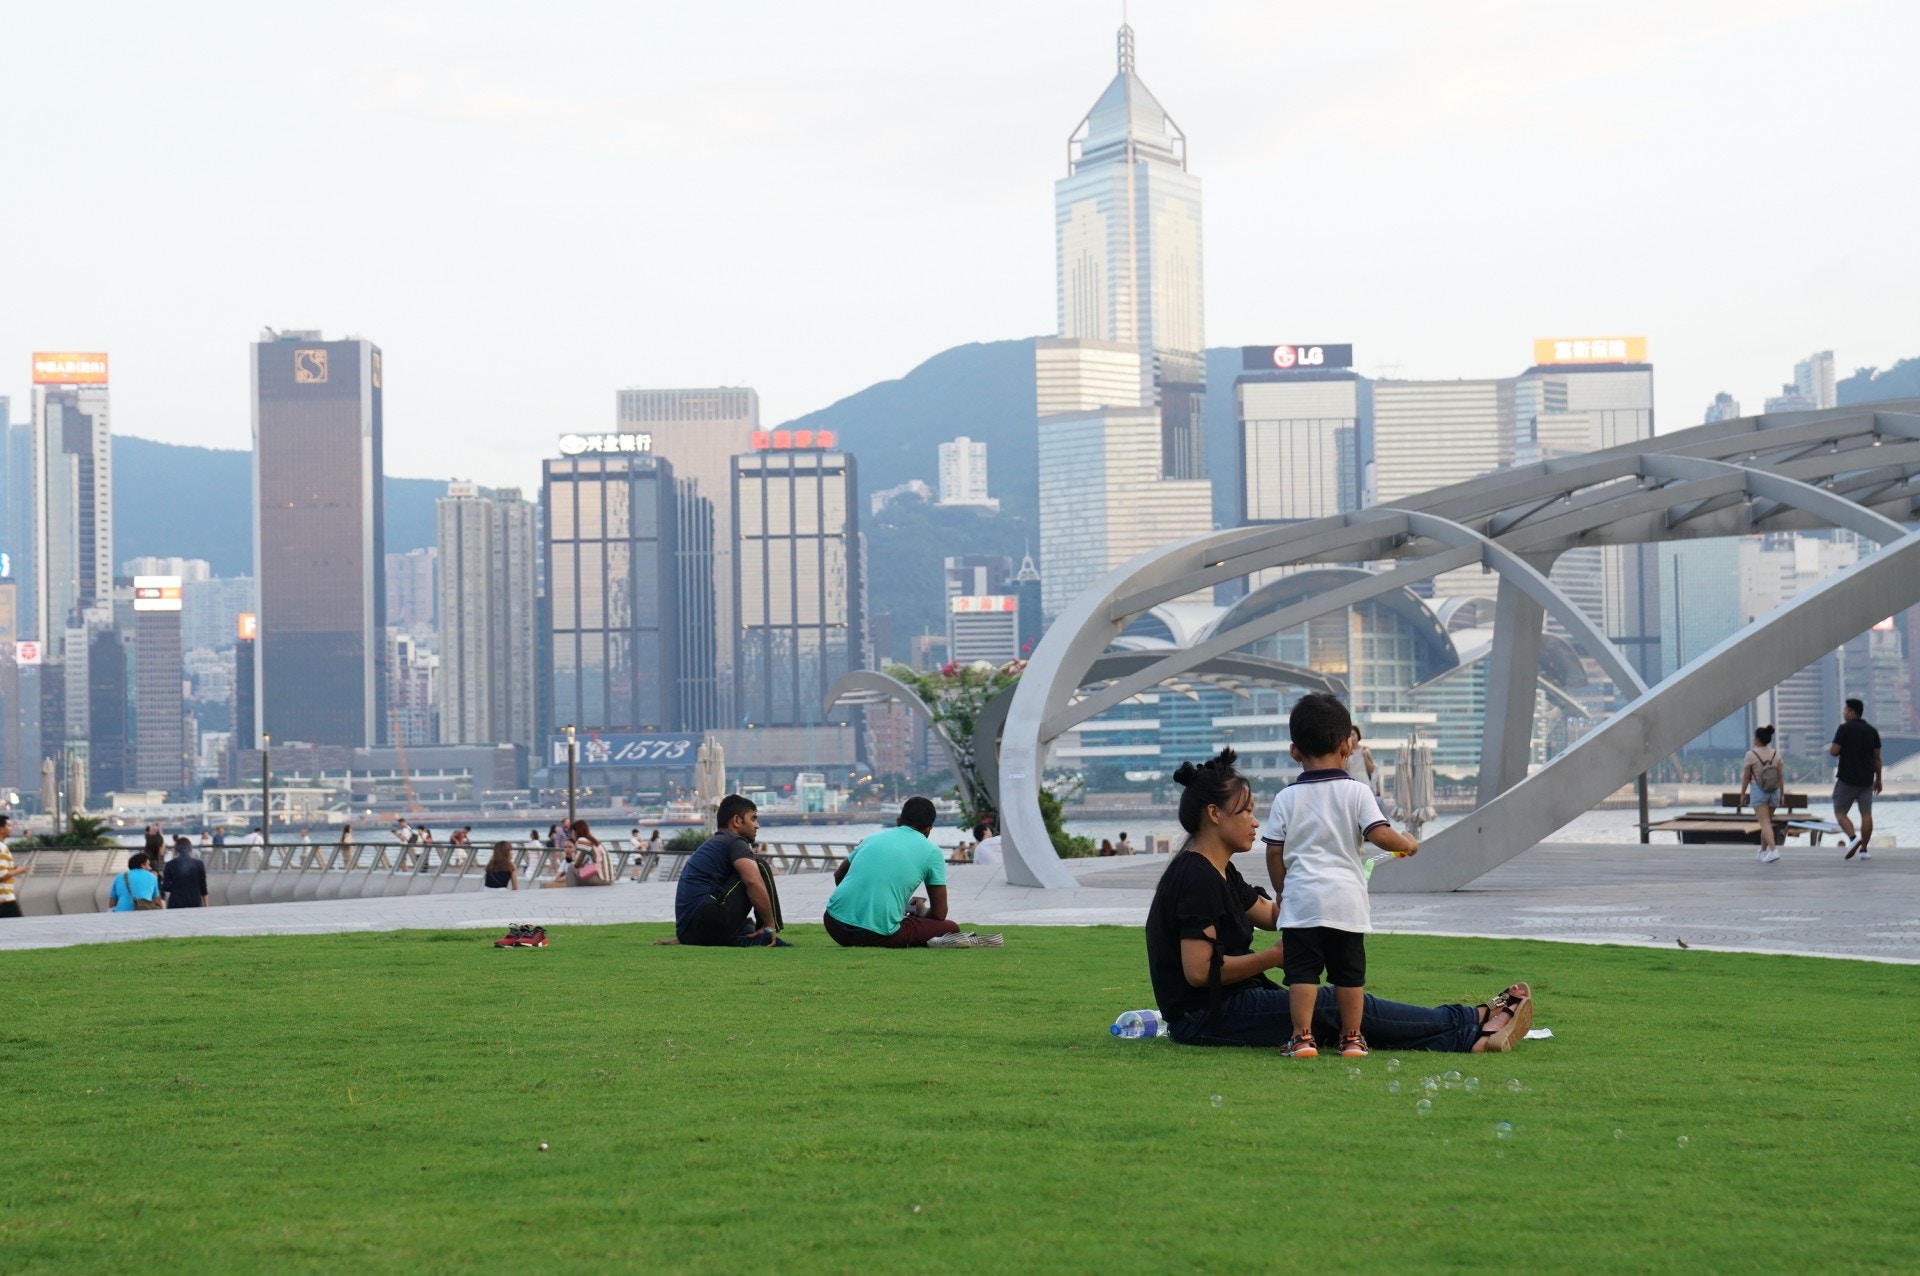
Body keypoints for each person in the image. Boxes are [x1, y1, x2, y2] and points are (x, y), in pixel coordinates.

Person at [1147, 747, 1532, 1053]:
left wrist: (1324, 895)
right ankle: (1474, 1022)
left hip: (1236, 1002)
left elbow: (1272, 915)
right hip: (1204, 1018)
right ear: (1214, 814)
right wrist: (1275, 957)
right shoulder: (1194, 876)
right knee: (1330, 1006)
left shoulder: (1222, 872)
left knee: (1338, 1011)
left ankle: (1470, 1031)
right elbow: (1198, 972)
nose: (1255, 821)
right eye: (1245, 810)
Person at [1261, 693, 1419, 1059]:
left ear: (1294, 750)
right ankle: (1352, 1038)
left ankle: (1301, 1038)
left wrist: (1283, 891)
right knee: (1349, 975)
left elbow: (1273, 851)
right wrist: (1407, 842)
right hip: (1347, 901)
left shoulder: (1286, 798)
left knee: (1302, 975)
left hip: (1302, 902)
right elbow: (1380, 834)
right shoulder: (1357, 792)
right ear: (1347, 745)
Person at [824, 797, 999, 948]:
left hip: (834, 923)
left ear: (899, 821)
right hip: (877, 934)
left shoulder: (872, 838)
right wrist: (921, 909)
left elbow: (838, 875)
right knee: (951, 928)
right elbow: (939, 913)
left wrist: (862, 905)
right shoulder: (932, 852)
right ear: (929, 829)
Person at [672, 795, 788, 946]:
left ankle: (753, 935)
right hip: (706, 919)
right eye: (753, 819)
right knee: (760, 867)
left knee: (747, 925)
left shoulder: (715, 843)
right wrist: (769, 925)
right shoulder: (735, 841)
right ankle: (769, 933)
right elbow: (753, 881)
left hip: (688, 934)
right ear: (737, 821)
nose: (757, 825)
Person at [1830, 698, 1883, 860]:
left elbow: (1834, 751)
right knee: (1866, 814)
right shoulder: (1872, 731)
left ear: (1852, 712)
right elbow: (1877, 758)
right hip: (1867, 779)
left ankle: (1853, 839)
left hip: (1847, 778)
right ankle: (1864, 850)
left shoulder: (1844, 729)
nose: (1844, 713)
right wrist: (1878, 779)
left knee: (1840, 812)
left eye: (1845, 710)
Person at [1740, 725, 1786, 864]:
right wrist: (1782, 795)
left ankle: (1773, 850)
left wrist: (1742, 793)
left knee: (1764, 823)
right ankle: (1762, 851)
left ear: (1758, 739)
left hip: (1759, 791)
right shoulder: (1776, 754)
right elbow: (1780, 777)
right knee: (1766, 823)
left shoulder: (1751, 754)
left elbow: (1746, 777)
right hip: (1775, 791)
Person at [161, 835, 209, 909]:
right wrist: (206, 905)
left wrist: (176, 886)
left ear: (177, 849)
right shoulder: (199, 864)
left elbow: (165, 886)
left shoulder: (169, 865)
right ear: (190, 848)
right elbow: (203, 887)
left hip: (175, 903)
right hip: (194, 902)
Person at [569, 820, 610, 885]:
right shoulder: (595, 841)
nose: (572, 835)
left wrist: (574, 855)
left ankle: (570, 890)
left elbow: (577, 864)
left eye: (572, 832)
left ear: (576, 832)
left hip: (600, 879)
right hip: (608, 879)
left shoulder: (582, 841)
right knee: (578, 872)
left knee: (571, 867)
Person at [1345, 725, 1380, 795]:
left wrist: (1365, 756)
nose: (1352, 738)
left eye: (1353, 734)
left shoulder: (1365, 750)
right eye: (1350, 735)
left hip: (1363, 779)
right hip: (1351, 781)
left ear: (1358, 735)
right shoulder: (1346, 752)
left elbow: (1371, 769)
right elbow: (1344, 768)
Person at [0, 814, 22, 920]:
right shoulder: (2, 848)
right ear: (1, 829)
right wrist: (19, 870)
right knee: (19, 930)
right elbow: (2, 875)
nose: (11, 828)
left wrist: (12, 869)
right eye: (8, 826)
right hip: (5, 899)